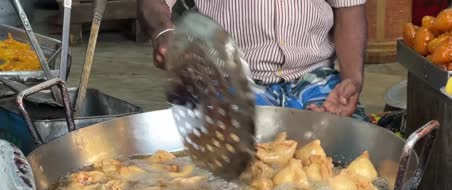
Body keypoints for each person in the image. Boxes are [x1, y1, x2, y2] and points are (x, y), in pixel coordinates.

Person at [138, 0, 369, 121]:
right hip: (229, 77)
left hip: (315, 77)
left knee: (348, 152)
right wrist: (162, 31)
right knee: (228, 172)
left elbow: (348, 9)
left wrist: (350, 81)